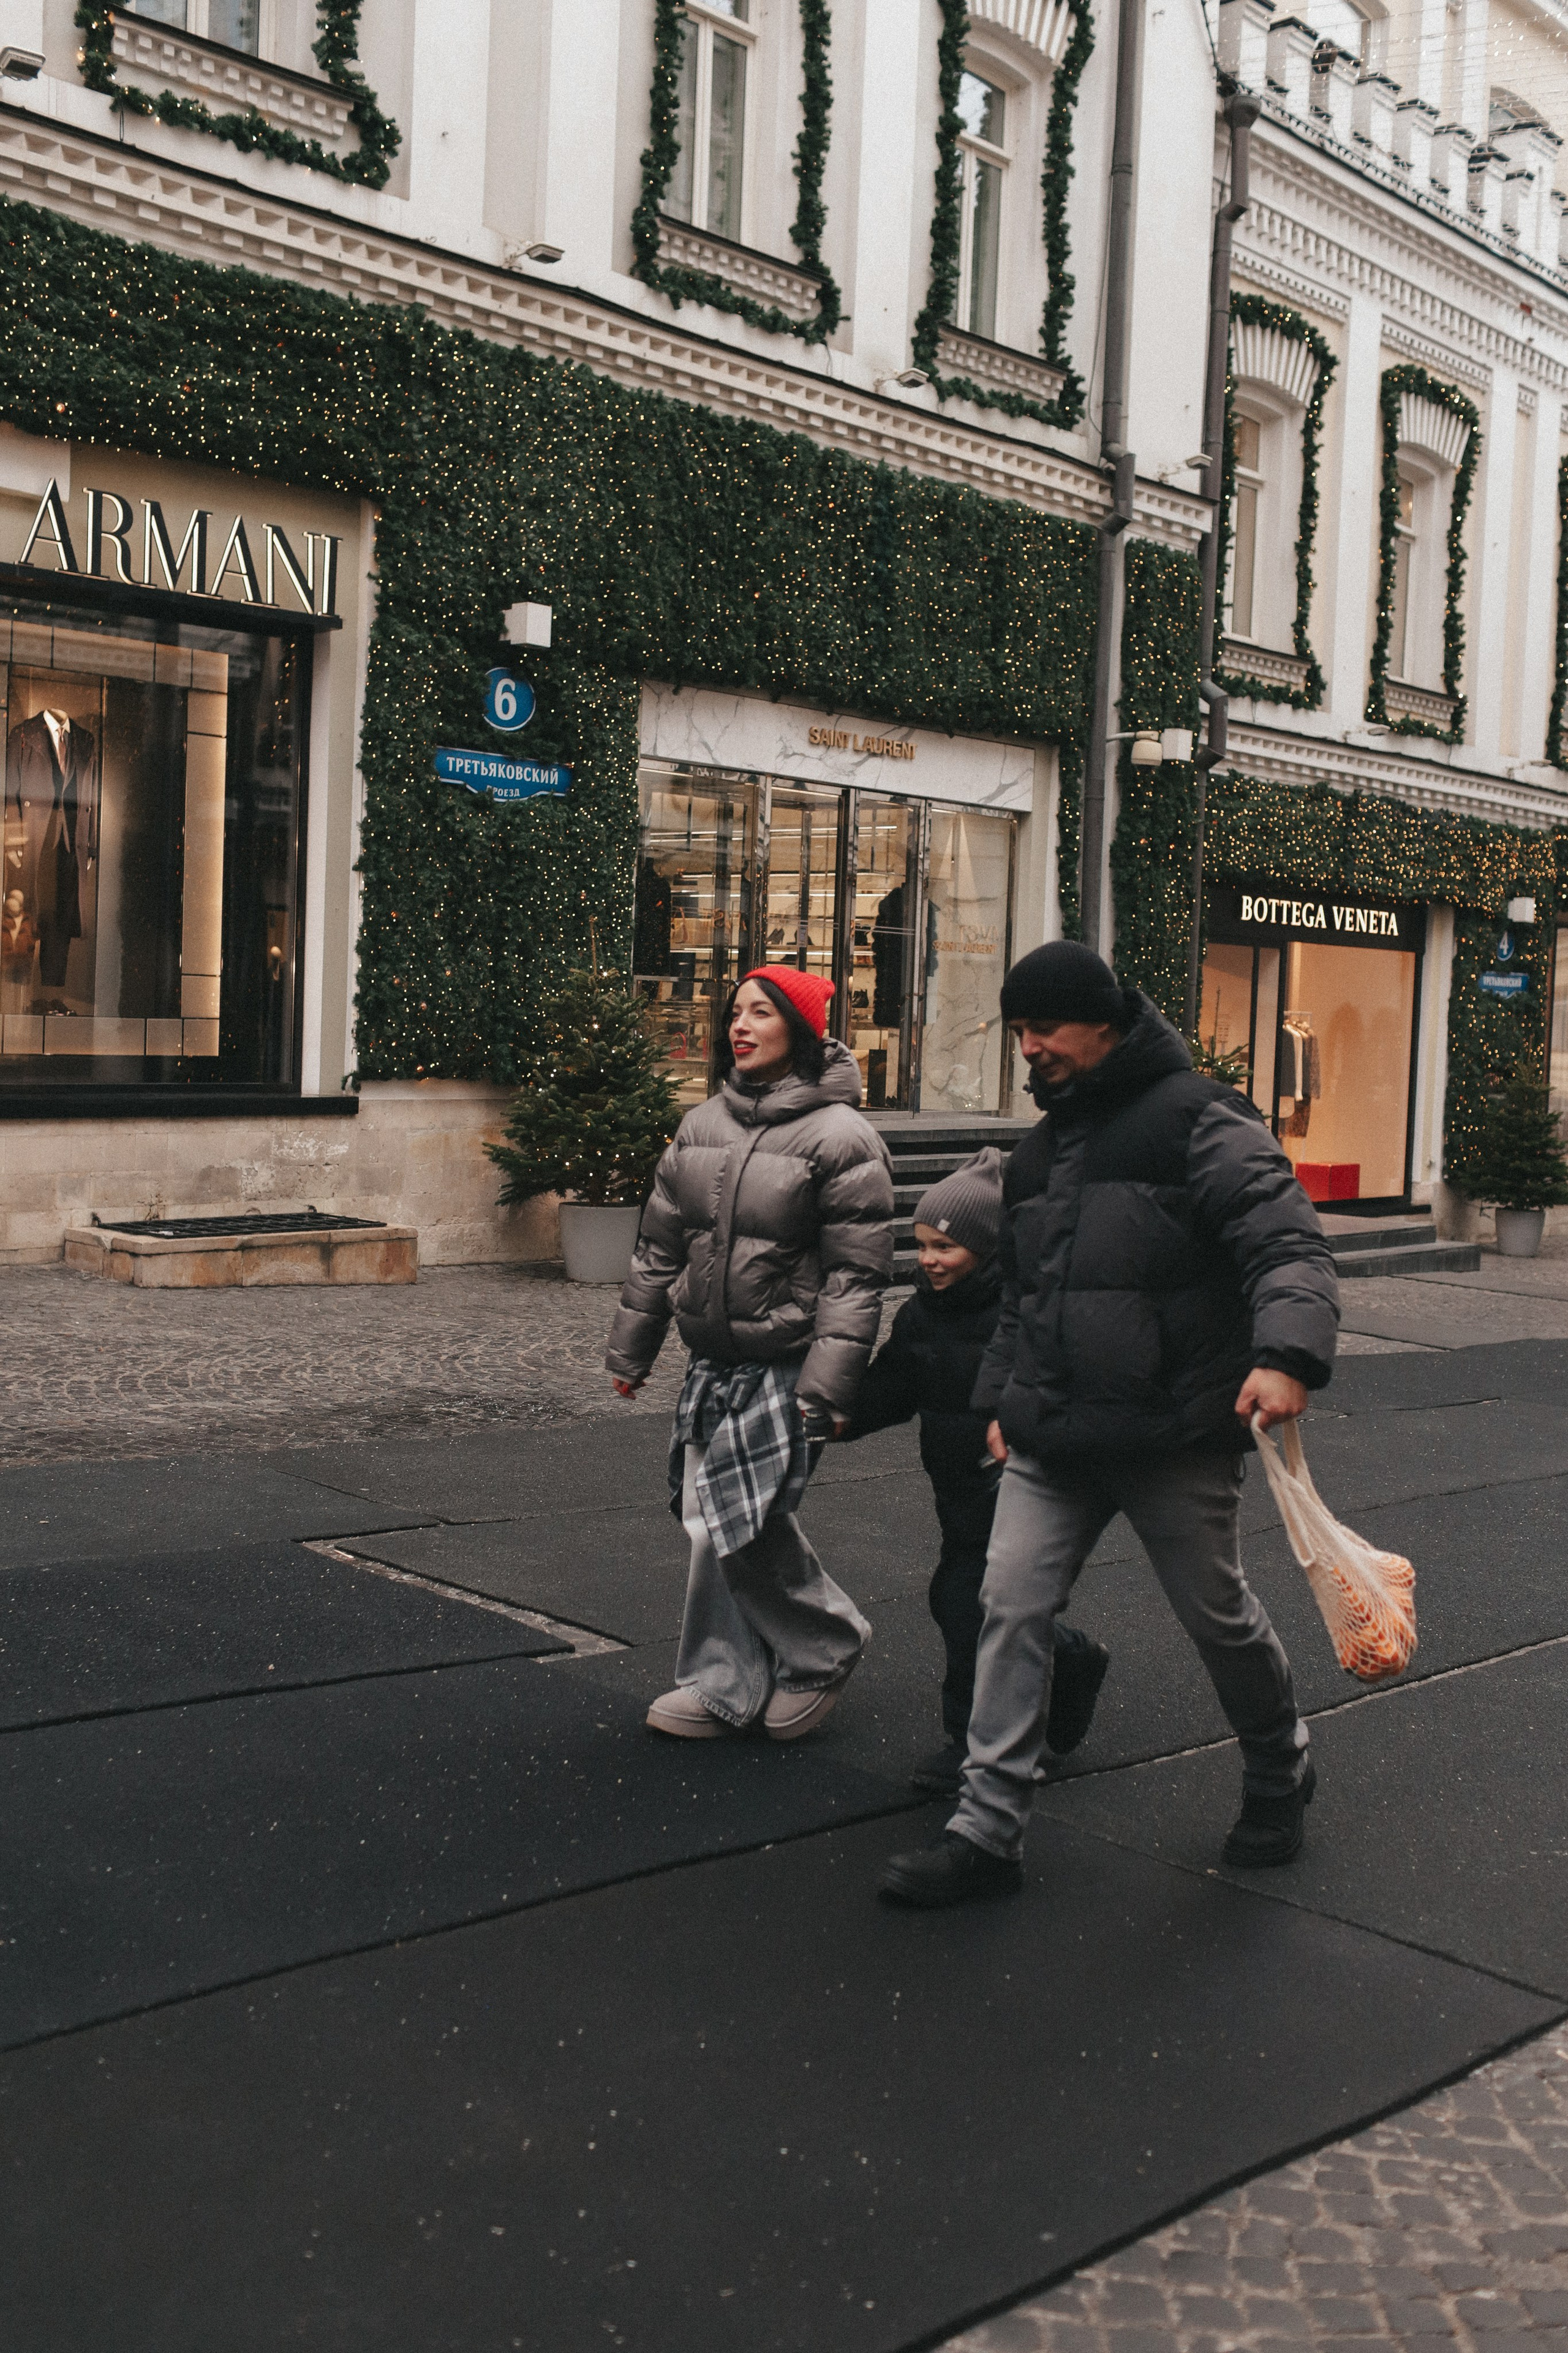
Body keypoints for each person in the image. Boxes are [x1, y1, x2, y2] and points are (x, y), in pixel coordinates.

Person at [879, 941, 1339, 1908]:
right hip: (1054, 1433)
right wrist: (1005, 1399)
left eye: (1042, 1027)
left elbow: (1284, 1237)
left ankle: (1278, 1763)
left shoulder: (1200, 1117)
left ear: (1103, 1021)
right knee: (1007, 1609)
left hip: (1173, 1429)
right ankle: (987, 1829)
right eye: (1016, 1031)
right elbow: (1023, 1297)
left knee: (1217, 1617)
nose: (1028, 1047)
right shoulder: (1040, 1154)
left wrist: (1287, 1354)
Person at [606, 966, 894, 1740]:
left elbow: (856, 1274)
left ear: (797, 1029)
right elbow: (658, 1248)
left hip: (787, 1361)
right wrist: (631, 1350)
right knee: (714, 1518)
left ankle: (813, 1647)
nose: (740, 1025)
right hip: (713, 1362)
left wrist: (830, 1386)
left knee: (736, 1519)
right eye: (735, 1012)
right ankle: (737, 1674)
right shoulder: (701, 1125)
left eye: (760, 1012)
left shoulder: (842, 1138)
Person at [837, 1146, 1109, 1794]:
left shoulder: (1016, 1314)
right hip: (957, 1486)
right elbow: (894, 1384)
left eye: (946, 1248)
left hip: (1012, 1485)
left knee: (970, 1604)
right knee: (983, 1606)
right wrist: (842, 1418)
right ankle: (1070, 1658)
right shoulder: (922, 1316)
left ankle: (973, 1742)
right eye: (923, 1244)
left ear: (987, 1250)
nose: (929, 1259)